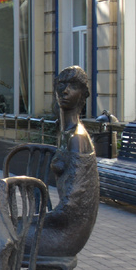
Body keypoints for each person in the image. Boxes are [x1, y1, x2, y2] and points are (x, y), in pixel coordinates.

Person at [29, 65, 100, 258]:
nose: (65, 90)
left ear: (84, 94)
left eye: (73, 86)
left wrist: (29, 220)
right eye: (61, 85)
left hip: (67, 233)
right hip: (61, 225)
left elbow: (71, 206)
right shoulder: (66, 133)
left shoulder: (77, 139)